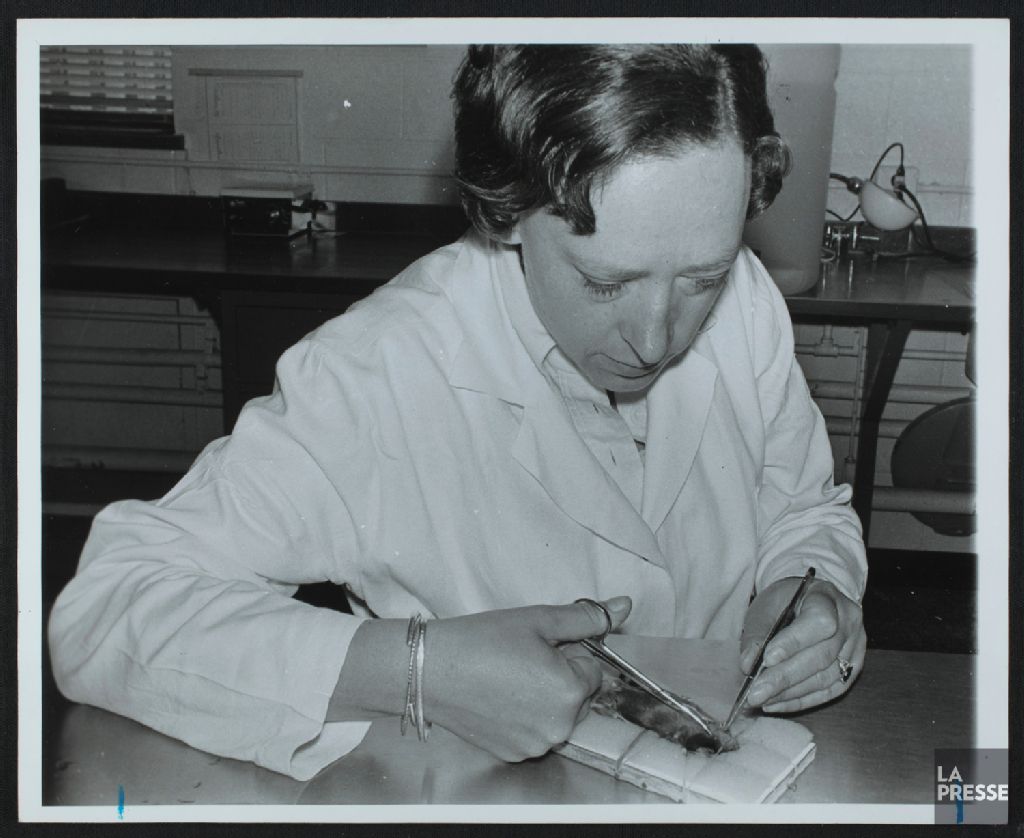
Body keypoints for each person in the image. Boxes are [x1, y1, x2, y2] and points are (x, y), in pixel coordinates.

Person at [49, 43, 867, 781]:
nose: (656, 337)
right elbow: (105, 609)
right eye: (604, 283)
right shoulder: (376, 370)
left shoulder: (745, 298)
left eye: (700, 280)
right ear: (507, 211)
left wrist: (813, 593)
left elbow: (801, 509)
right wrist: (418, 671)